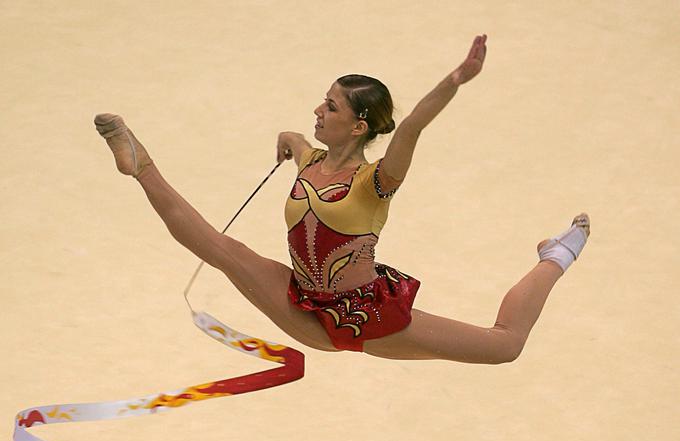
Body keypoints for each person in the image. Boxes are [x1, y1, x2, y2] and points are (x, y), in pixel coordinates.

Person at [94, 35, 589, 363]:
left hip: (366, 318)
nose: (317, 109)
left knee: (503, 346)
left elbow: (412, 124)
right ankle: (142, 164)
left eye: (329, 106)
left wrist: (455, 79)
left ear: (358, 125)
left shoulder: (377, 181)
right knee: (218, 248)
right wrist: (290, 138)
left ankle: (555, 256)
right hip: (300, 304)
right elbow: (298, 143)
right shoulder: (310, 161)